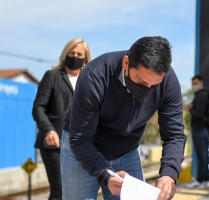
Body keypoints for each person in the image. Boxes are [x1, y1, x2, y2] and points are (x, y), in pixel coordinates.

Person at [60, 36, 186, 200]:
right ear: (126, 63)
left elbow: (174, 134)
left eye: (153, 86)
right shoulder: (94, 75)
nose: (146, 91)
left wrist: (169, 174)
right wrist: (105, 175)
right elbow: (80, 139)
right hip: (83, 147)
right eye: (140, 82)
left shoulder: (168, 81)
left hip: (127, 150)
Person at [32, 38, 91, 200]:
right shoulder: (52, 76)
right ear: (65, 54)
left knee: (78, 193)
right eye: (72, 52)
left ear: (85, 59)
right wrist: (48, 130)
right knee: (60, 191)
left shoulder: (89, 81)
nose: (75, 56)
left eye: (79, 54)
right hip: (54, 144)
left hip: (81, 145)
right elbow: (38, 107)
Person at [186, 75, 209, 188]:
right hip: (204, 129)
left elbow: (199, 113)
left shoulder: (201, 96)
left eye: (195, 83)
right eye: (192, 83)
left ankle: (201, 180)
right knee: (204, 155)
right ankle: (205, 180)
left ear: (201, 83)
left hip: (200, 129)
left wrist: (190, 108)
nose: (193, 86)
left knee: (202, 156)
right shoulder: (204, 95)